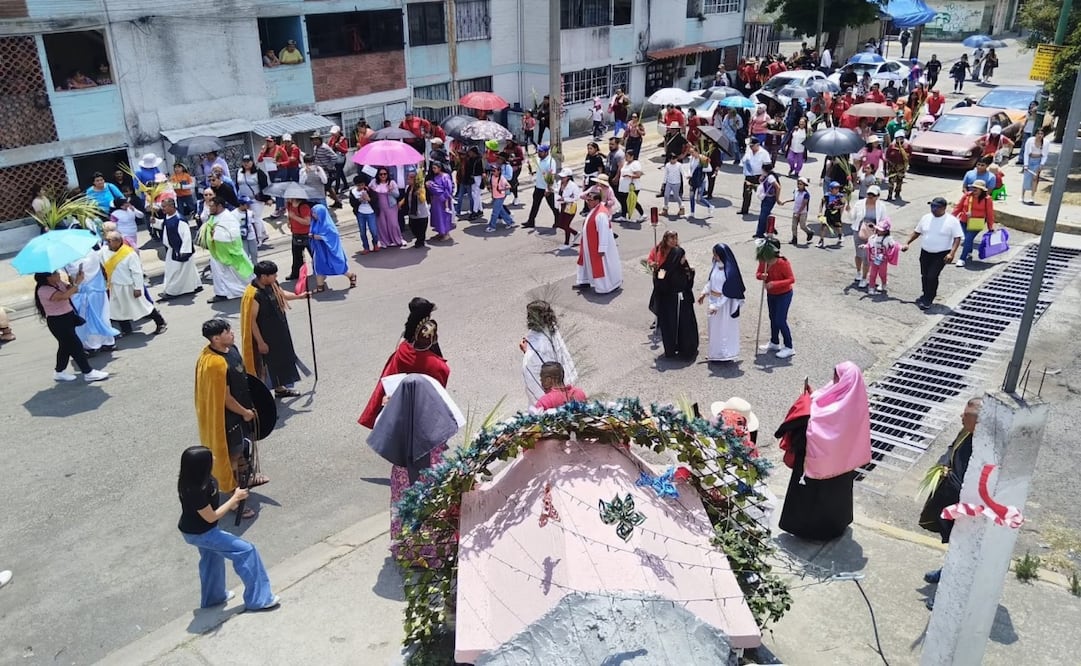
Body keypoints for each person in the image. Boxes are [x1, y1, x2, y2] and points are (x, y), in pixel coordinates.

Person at [776, 362, 872, 540]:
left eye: (837, 376)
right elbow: (823, 400)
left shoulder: (838, 401)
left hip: (818, 463)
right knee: (837, 497)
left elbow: (819, 421)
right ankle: (836, 526)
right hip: (843, 464)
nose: (834, 379)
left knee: (812, 500)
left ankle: (809, 532)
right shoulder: (855, 399)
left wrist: (806, 404)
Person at [176, 446, 279, 611]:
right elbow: (211, 516)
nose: (215, 459)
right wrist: (235, 499)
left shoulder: (194, 478)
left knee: (211, 558)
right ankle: (259, 599)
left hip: (195, 530)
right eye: (211, 457)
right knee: (246, 551)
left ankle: (213, 598)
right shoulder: (194, 490)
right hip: (202, 532)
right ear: (202, 465)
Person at [194, 319, 268, 517]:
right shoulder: (214, 364)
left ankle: (247, 478)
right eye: (227, 331)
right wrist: (244, 412)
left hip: (244, 409)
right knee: (232, 455)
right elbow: (225, 398)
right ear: (216, 338)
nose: (232, 333)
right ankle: (233, 494)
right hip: (229, 418)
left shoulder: (232, 349)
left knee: (243, 449)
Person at [918, 397, 983, 608]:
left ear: (978, 422)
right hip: (951, 500)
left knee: (963, 552)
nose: (961, 418)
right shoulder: (966, 432)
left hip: (968, 509)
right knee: (954, 545)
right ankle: (946, 572)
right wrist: (943, 466)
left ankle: (947, 595)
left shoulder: (984, 447)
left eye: (966, 416)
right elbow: (951, 449)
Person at [359, 317, 450, 430]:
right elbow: (439, 390)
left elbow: (401, 344)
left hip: (394, 405)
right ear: (434, 338)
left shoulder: (402, 352)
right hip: (420, 413)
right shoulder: (439, 366)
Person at [241, 261, 306, 399]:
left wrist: (300, 296)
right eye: (273, 274)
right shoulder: (254, 294)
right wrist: (260, 342)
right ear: (264, 276)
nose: (276, 276)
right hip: (266, 336)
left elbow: (282, 295)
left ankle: (280, 389)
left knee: (281, 360)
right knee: (267, 366)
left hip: (279, 331)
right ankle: (261, 397)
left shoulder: (272, 284)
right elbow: (251, 321)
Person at [33, 270, 110, 382]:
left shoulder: (58, 283)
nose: (58, 275)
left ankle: (59, 372)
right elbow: (64, 296)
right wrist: (77, 284)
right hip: (58, 321)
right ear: (47, 278)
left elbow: (71, 289)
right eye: (54, 274)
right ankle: (88, 372)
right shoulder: (44, 290)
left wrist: (76, 280)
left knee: (65, 347)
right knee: (76, 346)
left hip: (68, 317)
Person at [902, 197, 963, 310]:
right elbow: (916, 232)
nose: (933, 209)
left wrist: (952, 253)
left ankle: (929, 298)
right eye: (932, 206)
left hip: (941, 254)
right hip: (925, 252)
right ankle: (925, 294)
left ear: (944, 208)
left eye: (936, 207)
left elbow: (957, 238)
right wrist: (907, 243)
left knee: (932, 276)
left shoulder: (951, 221)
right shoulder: (926, 218)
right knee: (924, 275)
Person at [100, 231, 167, 336]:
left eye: (109, 241)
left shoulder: (129, 253)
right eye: (106, 241)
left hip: (129, 286)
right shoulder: (104, 251)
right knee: (118, 309)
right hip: (114, 286)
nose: (107, 243)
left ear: (117, 241)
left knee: (142, 306)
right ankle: (126, 329)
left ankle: (160, 322)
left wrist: (138, 288)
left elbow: (137, 272)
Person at [649, 231, 698, 359]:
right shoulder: (664, 268)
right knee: (672, 326)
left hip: (680, 301)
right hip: (672, 301)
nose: (683, 259)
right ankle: (672, 348)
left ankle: (684, 348)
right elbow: (659, 279)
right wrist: (656, 272)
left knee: (683, 326)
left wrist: (690, 273)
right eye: (682, 257)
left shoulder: (680, 267)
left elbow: (688, 279)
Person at [520, 300, 578, 405]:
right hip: (563, 386)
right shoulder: (552, 329)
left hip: (549, 399)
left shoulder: (537, 346)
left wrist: (527, 351)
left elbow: (531, 370)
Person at [200, 197, 255, 303]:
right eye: (209, 206)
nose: (210, 208)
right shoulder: (214, 216)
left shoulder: (228, 218)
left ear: (219, 206)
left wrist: (215, 235)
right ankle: (221, 293)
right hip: (216, 253)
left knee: (237, 274)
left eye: (212, 206)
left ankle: (247, 289)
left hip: (229, 252)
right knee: (219, 275)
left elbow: (233, 235)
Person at [65, 245, 118, 353]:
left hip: (85, 293)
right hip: (99, 291)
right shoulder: (92, 253)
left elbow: (74, 274)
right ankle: (108, 342)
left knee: (88, 320)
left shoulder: (72, 261)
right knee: (103, 316)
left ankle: (93, 345)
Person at [697, 243, 745, 362]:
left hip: (724, 305)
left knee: (724, 329)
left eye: (716, 255)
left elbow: (728, 291)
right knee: (713, 330)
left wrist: (717, 306)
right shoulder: (715, 265)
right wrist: (704, 293)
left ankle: (725, 354)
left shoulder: (730, 271)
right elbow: (711, 281)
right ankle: (714, 353)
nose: (714, 257)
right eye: (714, 254)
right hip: (713, 301)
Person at [574, 191, 622, 294]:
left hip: (598, 247)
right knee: (586, 262)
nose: (588, 202)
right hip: (589, 244)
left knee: (603, 267)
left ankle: (605, 287)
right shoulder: (594, 210)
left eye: (590, 200)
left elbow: (603, 232)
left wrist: (602, 248)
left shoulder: (601, 214)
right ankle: (584, 282)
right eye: (587, 200)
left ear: (597, 200)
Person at [756, 238, 795, 358]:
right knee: (772, 318)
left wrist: (774, 283)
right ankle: (774, 342)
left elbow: (791, 279)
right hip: (771, 294)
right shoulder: (764, 261)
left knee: (780, 320)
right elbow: (758, 273)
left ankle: (789, 347)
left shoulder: (783, 263)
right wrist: (761, 276)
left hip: (784, 294)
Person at [158, 198, 202, 300]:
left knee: (175, 272)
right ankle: (195, 285)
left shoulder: (179, 220)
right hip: (172, 249)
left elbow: (186, 236)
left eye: (164, 206)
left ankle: (172, 291)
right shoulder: (168, 217)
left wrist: (184, 251)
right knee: (188, 270)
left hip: (179, 250)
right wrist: (155, 222)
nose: (162, 209)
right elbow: (165, 225)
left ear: (172, 206)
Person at [308, 204, 357, 290]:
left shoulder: (328, 225)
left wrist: (316, 236)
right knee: (319, 266)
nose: (313, 215)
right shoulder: (314, 223)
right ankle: (320, 287)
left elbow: (332, 236)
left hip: (329, 250)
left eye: (315, 213)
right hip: (319, 249)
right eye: (313, 213)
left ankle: (351, 275)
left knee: (336, 266)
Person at [847, 185, 886, 288]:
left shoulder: (881, 206)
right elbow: (852, 217)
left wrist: (880, 232)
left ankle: (864, 278)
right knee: (859, 254)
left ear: (877, 196)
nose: (870, 197)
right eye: (869, 194)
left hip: (873, 234)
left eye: (873, 195)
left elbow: (883, 221)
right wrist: (848, 210)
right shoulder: (860, 203)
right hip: (859, 231)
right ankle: (859, 272)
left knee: (867, 257)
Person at [951, 180, 995, 267]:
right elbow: (958, 207)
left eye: (976, 189)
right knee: (968, 239)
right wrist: (951, 218)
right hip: (964, 221)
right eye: (972, 188)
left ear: (981, 190)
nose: (973, 191)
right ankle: (969, 252)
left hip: (976, 223)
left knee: (967, 239)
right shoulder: (967, 195)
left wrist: (990, 227)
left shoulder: (987, 199)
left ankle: (962, 258)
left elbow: (990, 214)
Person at [524, 144, 558, 229]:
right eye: (538, 151)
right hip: (538, 187)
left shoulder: (551, 162)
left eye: (541, 151)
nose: (539, 153)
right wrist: (532, 172)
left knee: (553, 206)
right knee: (535, 205)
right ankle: (530, 221)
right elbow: (540, 171)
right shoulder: (539, 160)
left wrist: (548, 188)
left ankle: (558, 222)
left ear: (546, 152)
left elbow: (552, 176)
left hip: (547, 188)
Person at [370, 168, 405, 247]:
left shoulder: (392, 182)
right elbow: (369, 191)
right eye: (381, 174)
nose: (383, 176)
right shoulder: (374, 182)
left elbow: (397, 195)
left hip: (391, 206)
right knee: (382, 224)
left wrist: (391, 191)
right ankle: (384, 241)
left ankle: (397, 239)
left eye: (385, 174)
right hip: (379, 207)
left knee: (393, 224)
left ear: (388, 174)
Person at [863, 218, 899, 293]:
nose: (879, 231)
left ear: (886, 231)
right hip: (874, 259)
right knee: (872, 274)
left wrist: (901, 248)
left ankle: (884, 283)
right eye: (878, 229)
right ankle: (871, 287)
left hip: (883, 260)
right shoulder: (872, 238)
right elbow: (869, 245)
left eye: (881, 230)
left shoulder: (888, 239)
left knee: (882, 274)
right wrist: (864, 246)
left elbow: (894, 245)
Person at [738, 138, 771, 216]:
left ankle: (766, 211)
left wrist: (763, 175)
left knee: (762, 194)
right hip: (749, 176)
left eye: (752, 146)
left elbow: (768, 166)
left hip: (759, 176)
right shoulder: (749, 152)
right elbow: (744, 161)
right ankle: (744, 210)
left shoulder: (764, 153)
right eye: (750, 146)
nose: (751, 147)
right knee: (746, 194)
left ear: (757, 145)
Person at [348, 175, 380, 254]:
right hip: (360, 213)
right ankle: (366, 247)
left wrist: (368, 199)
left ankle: (375, 243)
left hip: (370, 212)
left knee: (374, 230)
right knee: (362, 232)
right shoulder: (353, 192)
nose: (361, 187)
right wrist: (359, 200)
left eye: (362, 184)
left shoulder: (369, 190)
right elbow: (352, 203)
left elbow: (375, 199)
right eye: (359, 185)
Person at [552, 168, 581, 249]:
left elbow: (576, 197)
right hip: (563, 206)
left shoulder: (573, 186)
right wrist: (552, 190)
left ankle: (567, 243)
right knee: (560, 224)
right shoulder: (559, 183)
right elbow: (558, 191)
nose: (562, 178)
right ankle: (575, 233)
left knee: (565, 225)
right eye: (561, 176)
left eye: (564, 177)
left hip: (570, 207)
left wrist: (565, 199)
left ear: (568, 177)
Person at [486, 159, 517, 233]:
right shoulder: (493, 177)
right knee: (501, 210)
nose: (493, 172)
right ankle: (510, 222)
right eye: (492, 170)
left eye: (494, 170)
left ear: (499, 171)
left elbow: (508, 186)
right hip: (495, 196)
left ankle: (492, 226)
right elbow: (492, 186)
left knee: (495, 213)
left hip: (500, 197)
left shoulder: (502, 179)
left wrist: (501, 188)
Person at [426, 161, 455, 240]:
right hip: (436, 200)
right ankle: (440, 232)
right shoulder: (435, 177)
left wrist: (443, 196)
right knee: (437, 217)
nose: (433, 170)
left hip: (443, 200)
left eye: (435, 168)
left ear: (439, 168)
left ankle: (446, 234)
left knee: (444, 216)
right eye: (432, 168)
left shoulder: (445, 176)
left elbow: (448, 188)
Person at [1020, 128, 1047, 204]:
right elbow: (1026, 153)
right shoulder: (1030, 141)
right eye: (1038, 134)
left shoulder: (1045, 142)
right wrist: (1025, 164)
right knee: (1026, 178)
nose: (1040, 135)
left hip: (1038, 161)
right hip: (1030, 160)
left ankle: (1032, 197)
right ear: (1035, 134)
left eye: (1042, 134)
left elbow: (1045, 155)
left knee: (1035, 179)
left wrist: (1042, 164)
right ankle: (1022, 195)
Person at [754, 163, 780, 239]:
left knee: (763, 216)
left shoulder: (771, 177)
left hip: (769, 198)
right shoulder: (768, 176)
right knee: (765, 214)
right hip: (767, 198)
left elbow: (778, 187)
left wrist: (777, 199)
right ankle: (769, 228)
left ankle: (760, 233)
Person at [785, 176, 813, 245]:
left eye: (801, 184)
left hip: (803, 212)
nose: (799, 185)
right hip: (795, 211)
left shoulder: (806, 194)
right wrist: (786, 201)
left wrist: (798, 212)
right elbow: (794, 199)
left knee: (802, 226)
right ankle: (794, 239)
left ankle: (809, 232)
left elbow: (804, 204)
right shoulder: (796, 191)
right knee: (793, 226)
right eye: (798, 184)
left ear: (804, 185)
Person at [661, 153, 684, 217]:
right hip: (669, 182)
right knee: (666, 195)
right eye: (672, 159)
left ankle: (681, 207)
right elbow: (666, 174)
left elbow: (683, 172)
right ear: (669, 159)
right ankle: (665, 208)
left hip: (676, 183)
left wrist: (687, 176)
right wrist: (664, 182)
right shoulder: (667, 165)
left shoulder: (679, 165)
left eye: (675, 159)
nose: (673, 161)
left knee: (676, 196)